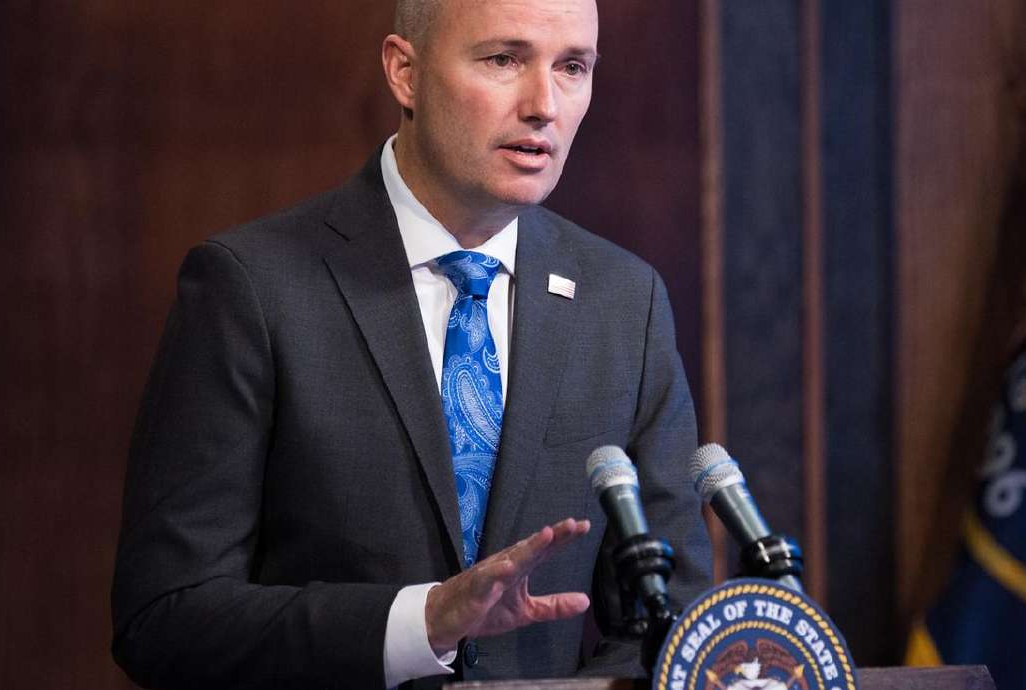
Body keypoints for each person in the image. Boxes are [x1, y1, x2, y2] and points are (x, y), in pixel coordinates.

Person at [110, 0, 712, 688]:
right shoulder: (252, 287)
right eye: (504, 59)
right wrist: (421, 623)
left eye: (572, 67)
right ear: (405, 72)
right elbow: (165, 618)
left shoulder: (623, 302)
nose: (544, 105)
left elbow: (670, 619)